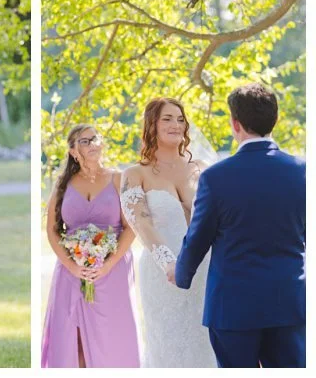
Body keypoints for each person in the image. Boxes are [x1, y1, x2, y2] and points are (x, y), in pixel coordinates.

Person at [175, 83, 305, 367]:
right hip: (291, 303)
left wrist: (181, 275)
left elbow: (198, 238)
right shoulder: (303, 172)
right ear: (276, 120)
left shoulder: (216, 178)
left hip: (232, 308)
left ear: (235, 124)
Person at [119, 98, 216, 367]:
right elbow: (142, 223)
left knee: (206, 343)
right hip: (163, 272)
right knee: (167, 344)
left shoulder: (203, 170)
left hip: (206, 270)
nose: (176, 125)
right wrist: (169, 264)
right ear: (152, 125)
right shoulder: (134, 174)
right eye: (167, 119)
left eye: (180, 119)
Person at [40, 124, 138, 367]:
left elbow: (131, 227)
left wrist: (107, 265)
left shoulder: (118, 179)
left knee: (110, 340)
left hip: (112, 271)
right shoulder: (63, 185)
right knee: (74, 341)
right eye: (84, 141)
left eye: (95, 139)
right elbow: (52, 230)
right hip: (71, 272)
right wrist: (72, 266)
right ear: (73, 151)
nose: (92, 144)